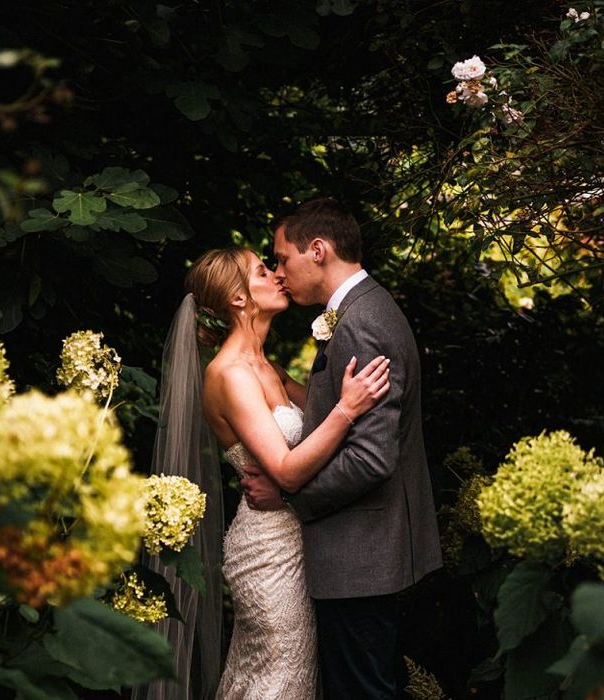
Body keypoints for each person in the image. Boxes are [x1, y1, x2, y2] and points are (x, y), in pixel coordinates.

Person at [151, 245, 391, 700]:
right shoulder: (230, 374)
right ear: (239, 299)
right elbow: (285, 470)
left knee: (286, 674)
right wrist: (348, 407)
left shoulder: (267, 367)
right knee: (278, 676)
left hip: (299, 536)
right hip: (266, 551)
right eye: (263, 271)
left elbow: (315, 428)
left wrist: (342, 401)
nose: (279, 276)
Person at [242, 198, 443, 699]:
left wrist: (291, 497)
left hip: (362, 553)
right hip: (369, 551)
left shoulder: (360, 322)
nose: (281, 272)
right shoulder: (362, 308)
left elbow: (371, 458)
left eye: (283, 259)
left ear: (318, 250)